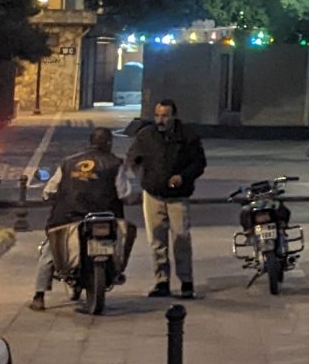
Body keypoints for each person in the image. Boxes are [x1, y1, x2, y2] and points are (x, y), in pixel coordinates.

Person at [30, 129, 123, 311]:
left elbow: (50, 189)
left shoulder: (68, 163)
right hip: (104, 216)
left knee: (51, 252)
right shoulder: (116, 163)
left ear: (90, 142)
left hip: (69, 216)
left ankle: (39, 296)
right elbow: (124, 192)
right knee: (119, 241)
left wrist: (48, 196)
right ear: (110, 143)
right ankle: (117, 270)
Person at [129, 98, 207, 299]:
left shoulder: (188, 136)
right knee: (156, 240)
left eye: (164, 115)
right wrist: (144, 178)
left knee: (181, 239)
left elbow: (199, 163)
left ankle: (186, 282)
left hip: (177, 196)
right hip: (153, 194)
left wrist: (183, 177)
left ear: (173, 116)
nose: (160, 119)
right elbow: (134, 159)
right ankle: (161, 281)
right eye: (157, 115)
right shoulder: (146, 136)